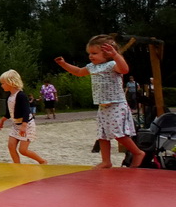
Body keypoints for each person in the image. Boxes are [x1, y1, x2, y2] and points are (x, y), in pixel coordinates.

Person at [54, 35, 145, 168]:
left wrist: (116, 55)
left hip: (116, 104)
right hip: (103, 106)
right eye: (89, 53)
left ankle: (137, 152)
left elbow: (125, 69)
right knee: (102, 135)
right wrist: (63, 64)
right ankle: (106, 161)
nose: (91, 56)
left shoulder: (112, 64)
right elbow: (79, 72)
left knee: (118, 133)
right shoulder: (92, 67)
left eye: (94, 53)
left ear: (108, 54)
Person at [0, 70, 47, 165]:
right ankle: (17, 165)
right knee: (11, 146)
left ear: (10, 82)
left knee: (23, 150)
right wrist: (2, 121)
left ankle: (42, 161)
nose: (1, 85)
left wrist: (24, 125)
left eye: (3, 83)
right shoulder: (9, 97)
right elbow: (8, 113)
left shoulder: (21, 95)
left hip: (27, 125)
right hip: (16, 125)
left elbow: (26, 111)